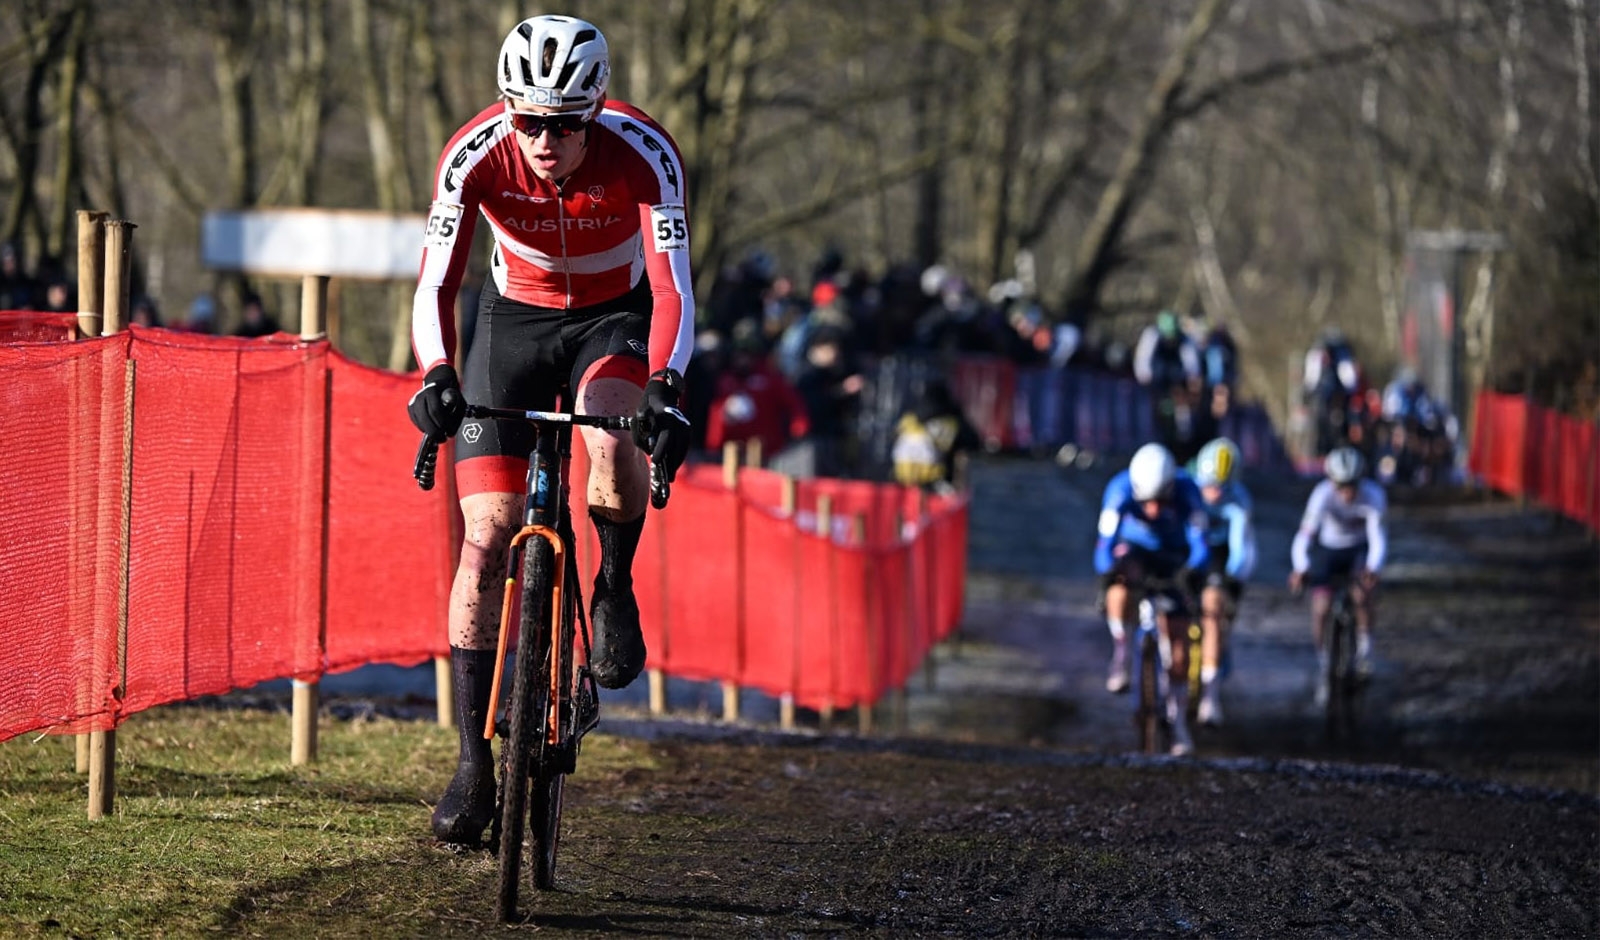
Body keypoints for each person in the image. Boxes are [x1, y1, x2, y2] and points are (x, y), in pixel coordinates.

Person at [405, 14, 694, 847]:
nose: (543, 139)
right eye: (527, 119)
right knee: (487, 533)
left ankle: (613, 584)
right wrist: (435, 373)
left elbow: (674, 289)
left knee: (610, 437)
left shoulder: (645, 153)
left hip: (614, 320)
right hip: (512, 321)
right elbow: (438, 283)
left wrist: (667, 387)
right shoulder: (472, 156)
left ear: (595, 115)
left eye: (564, 124)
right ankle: (471, 759)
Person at [1094, 442, 1210, 756]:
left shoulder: (1188, 491)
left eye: (1161, 501)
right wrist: (1107, 572)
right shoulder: (1118, 490)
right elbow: (1104, 545)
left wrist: (1194, 571)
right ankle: (1121, 652)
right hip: (1135, 554)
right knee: (1118, 584)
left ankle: (1178, 722)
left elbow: (1201, 544)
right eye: (1147, 502)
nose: (1154, 510)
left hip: (1173, 557)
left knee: (1179, 646)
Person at [1288, 446, 1387, 707]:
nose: (1347, 492)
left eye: (1352, 485)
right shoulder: (1320, 495)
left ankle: (1365, 651)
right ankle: (1323, 665)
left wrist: (1373, 568)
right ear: (1331, 481)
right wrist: (1301, 567)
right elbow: (1304, 537)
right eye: (1341, 485)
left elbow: (1378, 538)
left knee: (1361, 593)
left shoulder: (1373, 495)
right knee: (1320, 606)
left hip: (1358, 549)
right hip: (1329, 549)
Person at [1185, 437, 1256, 726]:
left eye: (1221, 487)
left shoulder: (1239, 499)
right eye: (1209, 485)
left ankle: (1210, 698)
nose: (1214, 493)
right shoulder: (1186, 485)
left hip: (1221, 555)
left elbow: (1241, 546)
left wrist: (1233, 578)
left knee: (1214, 610)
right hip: (1188, 549)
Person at [1132, 310, 1203, 463]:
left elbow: (1192, 365)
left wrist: (1192, 382)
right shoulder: (1152, 336)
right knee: (1154, 415)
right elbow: (1143, 362)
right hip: (1156, 384)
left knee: (1182, 416)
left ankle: (1182, 447)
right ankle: (1152, 445)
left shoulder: (1184, 340)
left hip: (1176, 384)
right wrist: (1148, 382)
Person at [891, 377, 981, 494]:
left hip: (901, 484)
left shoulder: (907, 420)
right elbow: (974, 443)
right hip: (935, 485)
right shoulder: (950, 421)